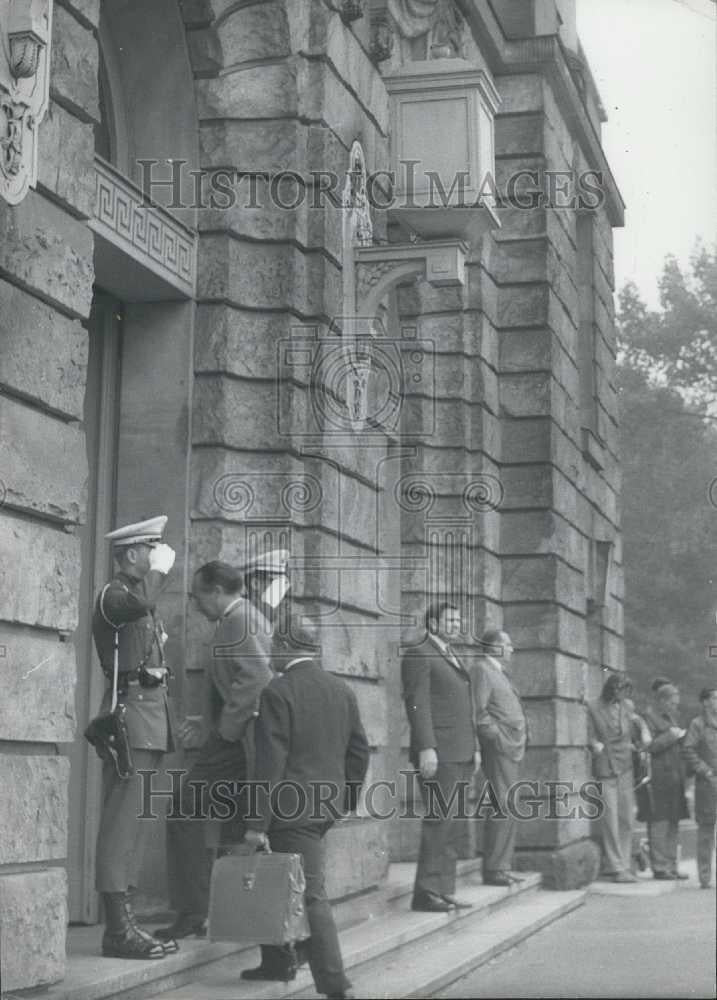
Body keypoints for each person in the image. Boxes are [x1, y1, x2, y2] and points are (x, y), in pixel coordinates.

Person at [242, 614, 370, 1000]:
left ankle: (335, 984)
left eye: (271, 647)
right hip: (323, 808)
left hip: (290, 812)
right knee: (287, 885)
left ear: (283, 645)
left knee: (311, 895)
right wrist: (344, 800)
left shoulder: (277, 692)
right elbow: (359, 751)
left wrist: (255, 824)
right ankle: (278, 962)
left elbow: (270, 764)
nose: (267, 655)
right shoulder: (341, 688)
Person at [157, 556, 282, 941]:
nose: (195, 605)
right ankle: (228, 914)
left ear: (216, 591)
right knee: (233, 825)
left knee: (184, 810)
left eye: (197, 596)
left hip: (238, 741)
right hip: (242, 739)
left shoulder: (239, 619)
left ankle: (195, 912)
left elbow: (257, 677)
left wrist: (224, 732)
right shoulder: (240, 618)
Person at [92, 515, 176, 959]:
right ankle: (116, 930)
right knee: (121, 826)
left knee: (139, 825)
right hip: (131, 720)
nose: (156, 555)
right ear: (129, 554)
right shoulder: (115, 594)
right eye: (150, 549)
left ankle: (127, 922)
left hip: (151, 722)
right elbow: (138, 604)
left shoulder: (140, 599)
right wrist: (160, 572)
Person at [401, 602, 481, 911]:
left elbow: (464, 707)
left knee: (453, 823)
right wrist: (426, 747)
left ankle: (444, 889)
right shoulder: (419, 653)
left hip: (459, 751)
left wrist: (473, 748)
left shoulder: (451, 653)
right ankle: (425, 892)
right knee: (439, 820)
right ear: (432, 622)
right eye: (449, 619)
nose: (455, 624)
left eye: (458, 618)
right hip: (438, 752)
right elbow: (417, 703)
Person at [473, 629, 528, 886]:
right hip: (500, 748)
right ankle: (495, 868)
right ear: (493, 646)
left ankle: (501, 865)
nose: (512, 648)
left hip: (510, 747)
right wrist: (497, 738)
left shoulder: (498, 671)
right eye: (507, 643)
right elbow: (479, 712)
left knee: (509, 804)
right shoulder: (482, 670)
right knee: (503, 803)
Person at [587, 672, 638, 883]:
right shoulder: (592, 706)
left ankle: (624, 864)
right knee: (610, 819)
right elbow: (587, 733)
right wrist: (593, 744)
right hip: (605, 767)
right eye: (618, 690)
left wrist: (640, 736)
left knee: (626, 818)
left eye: (625, 691)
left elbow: (634, 727)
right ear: (610, 688)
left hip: (625, 766)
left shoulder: (628, 706)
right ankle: (616, 867)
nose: (621, 695)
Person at [643, 680, 689, 879]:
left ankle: (672, 865)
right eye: (671, 703)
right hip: (659, 778)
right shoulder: (648, 718)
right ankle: (660, 867)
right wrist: (671, 736)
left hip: (675, 777)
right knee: (659, 822)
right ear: (661, 700)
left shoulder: (673, 717)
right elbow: (649, 747)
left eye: (676, 703)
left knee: (674, 822)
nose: (674, 706)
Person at [682, 687, 717, 889]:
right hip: (708, 783)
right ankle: (705, 877)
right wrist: (705, 770)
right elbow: (688, 749)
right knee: (706, 830)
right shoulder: (698, 724)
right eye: (714, 698)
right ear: (705, 702)